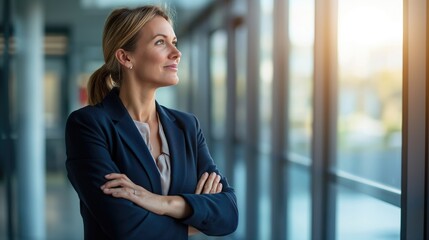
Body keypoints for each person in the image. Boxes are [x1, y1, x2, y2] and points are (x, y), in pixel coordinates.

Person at [65, 5, 238, 240]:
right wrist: (196, 218)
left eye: (174, 41)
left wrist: (160, 203)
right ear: (126, 57)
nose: (176, 53)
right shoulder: (88, 125)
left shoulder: (187, 126)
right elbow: (124, 228)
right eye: (160, 42)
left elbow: (228, 214)